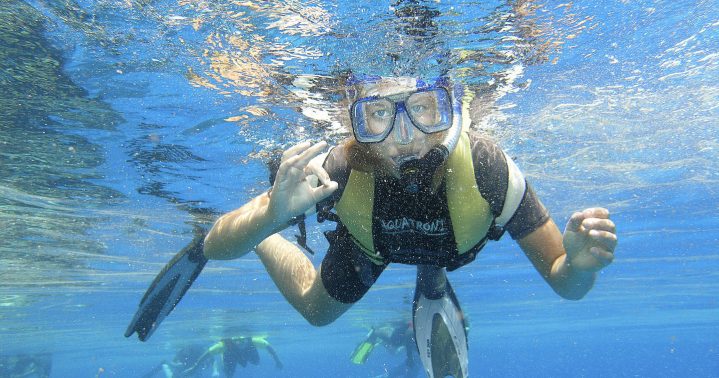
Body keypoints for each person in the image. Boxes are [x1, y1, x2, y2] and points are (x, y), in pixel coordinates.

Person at [126, 74, 617, 377]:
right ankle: (276, 244)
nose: (405, 136)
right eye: (378, 115)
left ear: (448, 111)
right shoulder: (336, 169)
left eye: (423, 108)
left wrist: (578, 264)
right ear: (356, 124)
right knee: (317, 313)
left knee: (429, 260)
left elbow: (564, 281)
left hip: (450, 243)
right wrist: (271, 218)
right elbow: (217, 245)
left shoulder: (487, 168)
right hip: (370, 243)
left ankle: (432, 275)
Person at [183, 336, 283, 377]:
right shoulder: (224, 345)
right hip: (230, 355)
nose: (239, 344)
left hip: (246, 353)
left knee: (256, 362)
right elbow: (207, 354)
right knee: (229, 374)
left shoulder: (252, 340)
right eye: (237, 342)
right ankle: (224, 357)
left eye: (242, 342)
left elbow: (268, 347)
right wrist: (194, 367)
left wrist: (277, 360)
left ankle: (242, 358)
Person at [350, 319, 419, 377]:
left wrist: (409, 357)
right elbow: (408, 334)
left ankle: (377, 335)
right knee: (395, 344)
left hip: (408, 340)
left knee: (396, 349)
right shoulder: (405, 336)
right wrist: (409, 357)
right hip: (402, 337)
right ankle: (376, 334)